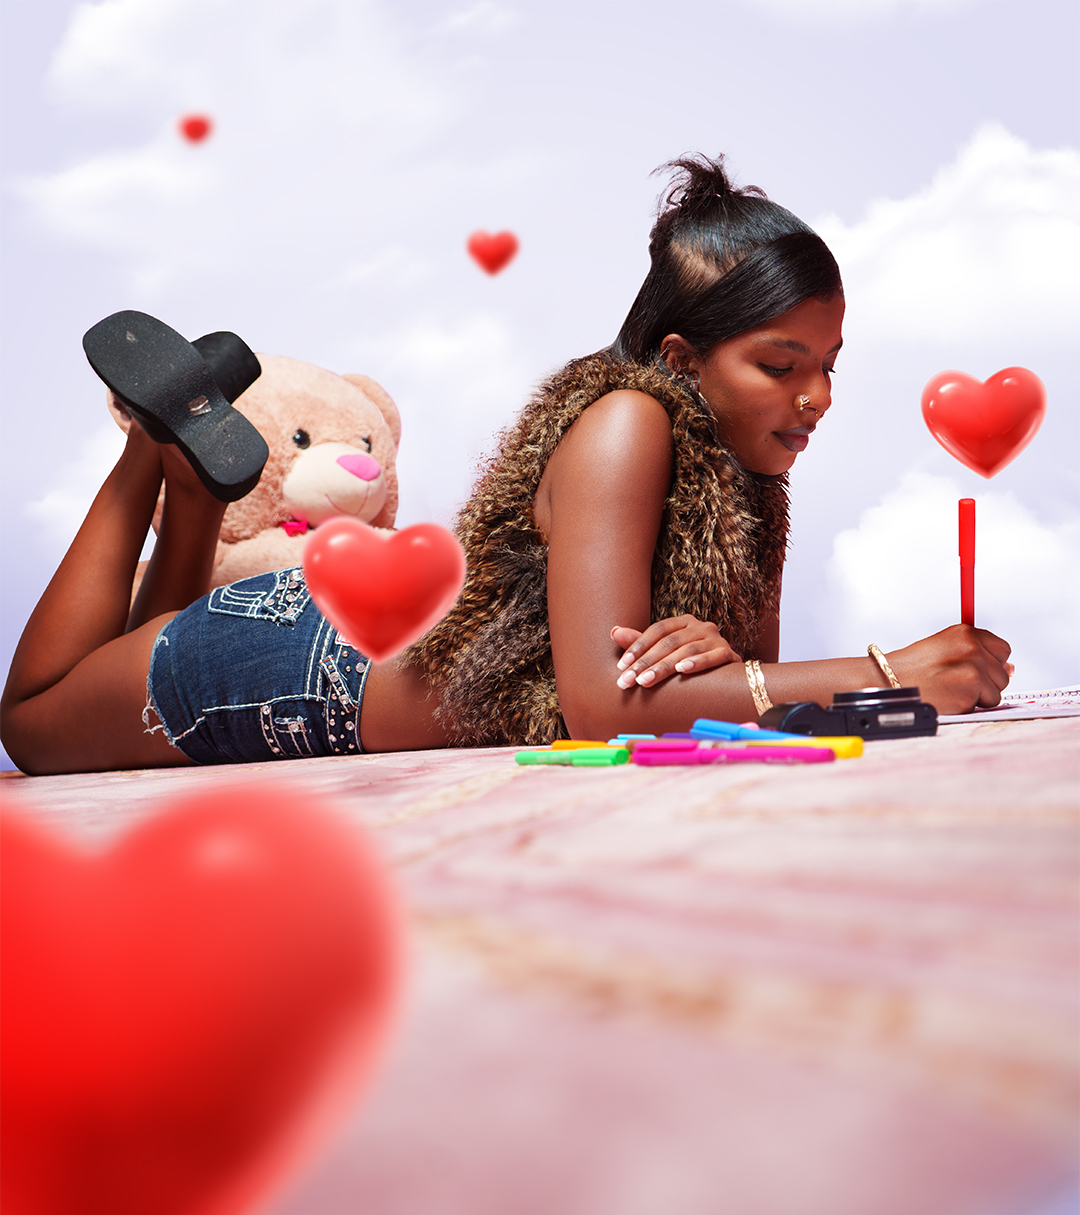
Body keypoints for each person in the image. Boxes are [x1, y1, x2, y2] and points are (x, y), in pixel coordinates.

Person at [0, 155, 1011, 776]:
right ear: (680, 360)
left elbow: (737, 693)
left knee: (130, 646)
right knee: (36, 721)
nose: (817, 398)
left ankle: (185, 473)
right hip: (303, 669)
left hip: (338, 643)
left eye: (829, 368)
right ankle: (148, 449)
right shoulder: (626, 420)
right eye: (781, 366)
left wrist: (709, 642)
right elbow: (604, 711)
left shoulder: (744, 478)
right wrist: (891, 671)